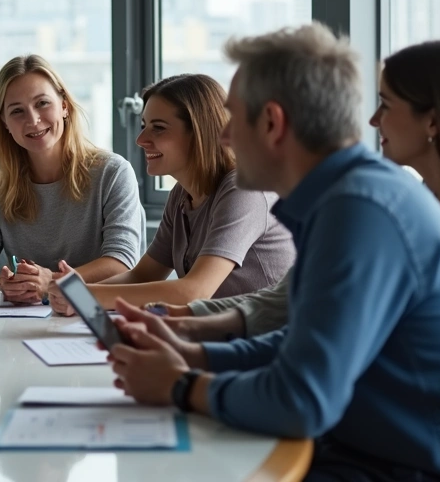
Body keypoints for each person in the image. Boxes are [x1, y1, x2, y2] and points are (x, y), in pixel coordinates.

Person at [106, 24, 440, 481]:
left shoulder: (360, 210)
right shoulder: (347, 197)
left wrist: (180, 385)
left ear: (272, 123)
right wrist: (198, 357)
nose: (225, 136)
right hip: (394, 453)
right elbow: (303, 345)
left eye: (233, 117)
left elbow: (302, 401)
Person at [158, 41, 440, 368]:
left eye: (386, 103)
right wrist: (187, 328)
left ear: (432, 122)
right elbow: (293, 304)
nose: (373, 121)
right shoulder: (417, 202)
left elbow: (387, 347)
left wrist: (199, 369)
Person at [44, 74, 293, 315]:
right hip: (225, 337)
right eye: (143, 126)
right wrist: (76, 295)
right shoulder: (181, 195)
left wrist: (84, 297)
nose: (141, 140)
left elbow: (193, 292)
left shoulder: (244, 189)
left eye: (158, 128)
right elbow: (142, 275)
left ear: (200, 133)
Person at [0, 55, 144, 304]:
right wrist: (2, 285)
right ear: (4, 122)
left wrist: (52, 283)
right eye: (17, 111)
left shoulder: (113, 172)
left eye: (42, 103)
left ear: (64, 105)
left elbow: (121, 262)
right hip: (24, 320)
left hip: (95, 313)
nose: (33, 119)